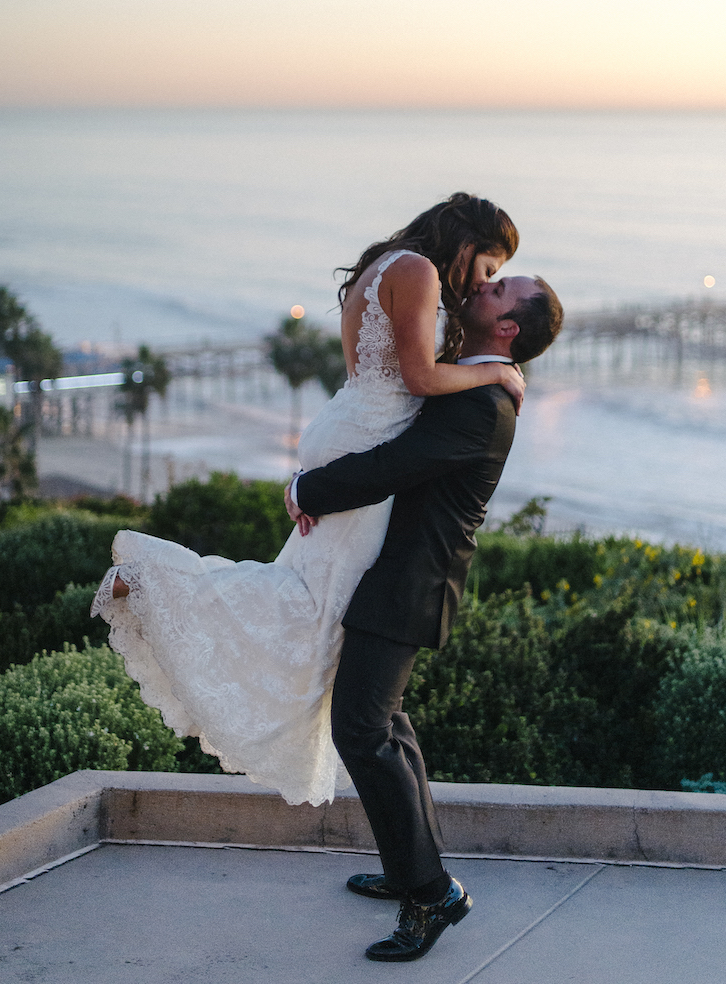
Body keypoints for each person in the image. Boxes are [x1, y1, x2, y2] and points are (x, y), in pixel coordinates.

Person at [90, 192, 526, 808]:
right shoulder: (421, 272)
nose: (484, 284)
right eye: (487, 268)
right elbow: (420, 379)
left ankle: (164, 584)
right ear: (466, 242)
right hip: (368, 446)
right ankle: (160, 583)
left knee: (303, 590)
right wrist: (495, 372)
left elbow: (380, 369)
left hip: (345, 423)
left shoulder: (384, 262)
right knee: (313, 612)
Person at [286, 271, 563, 963]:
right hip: (397, 573)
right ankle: (409, 866)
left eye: (500, 290)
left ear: (507, 329)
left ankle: (432, 893)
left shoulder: (484, 403)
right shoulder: (472, 377)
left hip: (410, 581)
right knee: (389, 726)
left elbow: (395, 463)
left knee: (361, 727)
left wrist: (304, 487)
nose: (483, 285)